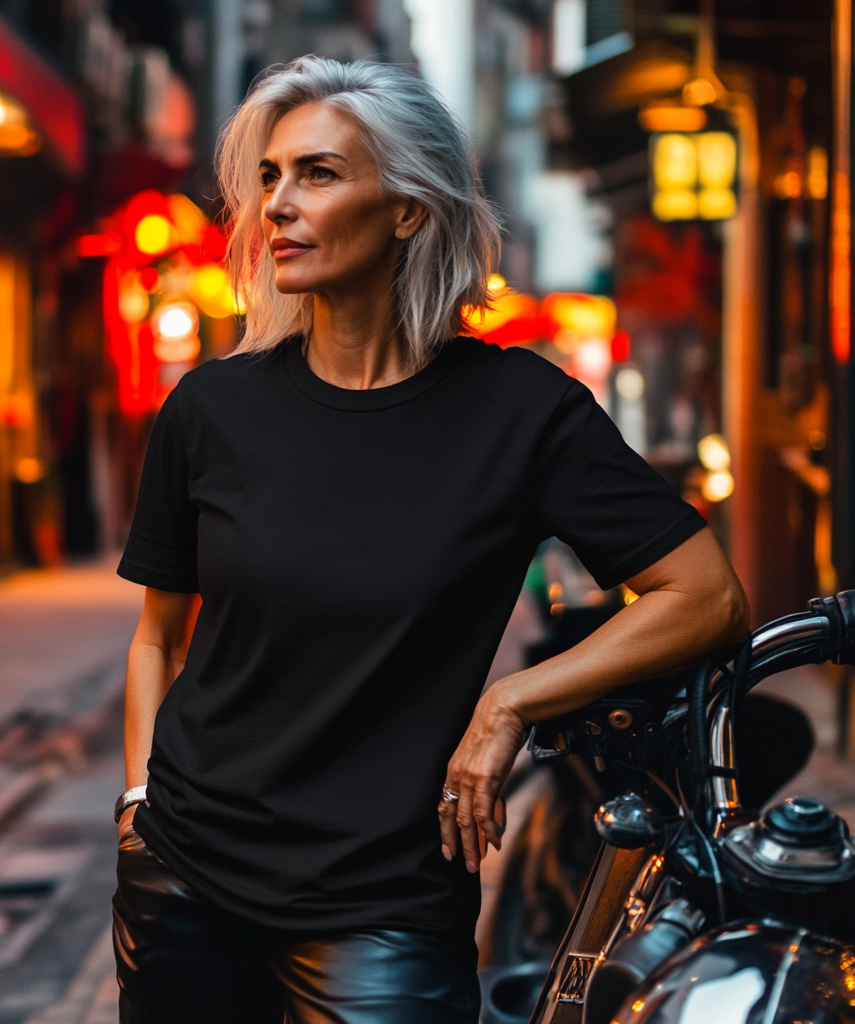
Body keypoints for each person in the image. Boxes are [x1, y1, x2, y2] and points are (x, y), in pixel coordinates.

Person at [111, 56, 749, 1024]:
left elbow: (702, 596)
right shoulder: (211, 407)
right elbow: (160, 636)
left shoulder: (521, 412)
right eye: (269, 177)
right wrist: (136, 807)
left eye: (318, 173)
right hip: (185, 874)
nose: (277, 204)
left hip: (385, 895)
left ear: (407, 208)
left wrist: (512, 704)